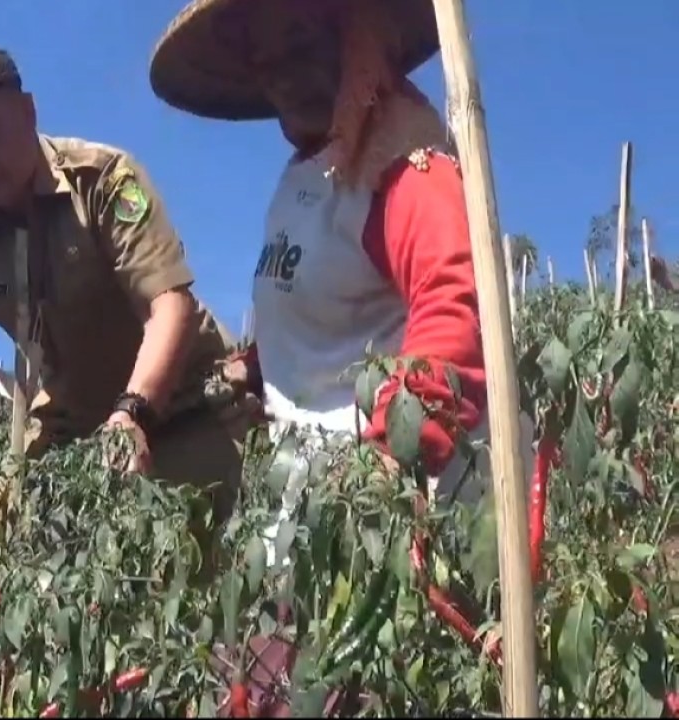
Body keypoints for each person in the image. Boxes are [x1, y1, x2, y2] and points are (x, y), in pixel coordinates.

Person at [147, 0, 535, 529]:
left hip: (396, 519)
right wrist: (255, 371)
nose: (285, 77)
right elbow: (331, 312)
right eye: (267, 62)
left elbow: (456, 305)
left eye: (302, 46)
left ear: (357, 38)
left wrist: (387, 467)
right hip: (321, 514)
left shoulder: (404, 164)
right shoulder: (310, 168)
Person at [0, 42, 257, 567]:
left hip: (184, 405)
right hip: (73, 426)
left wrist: (132, 414)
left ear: (28, 112)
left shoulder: (103, 180)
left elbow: (171, 308)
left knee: (189, 567)